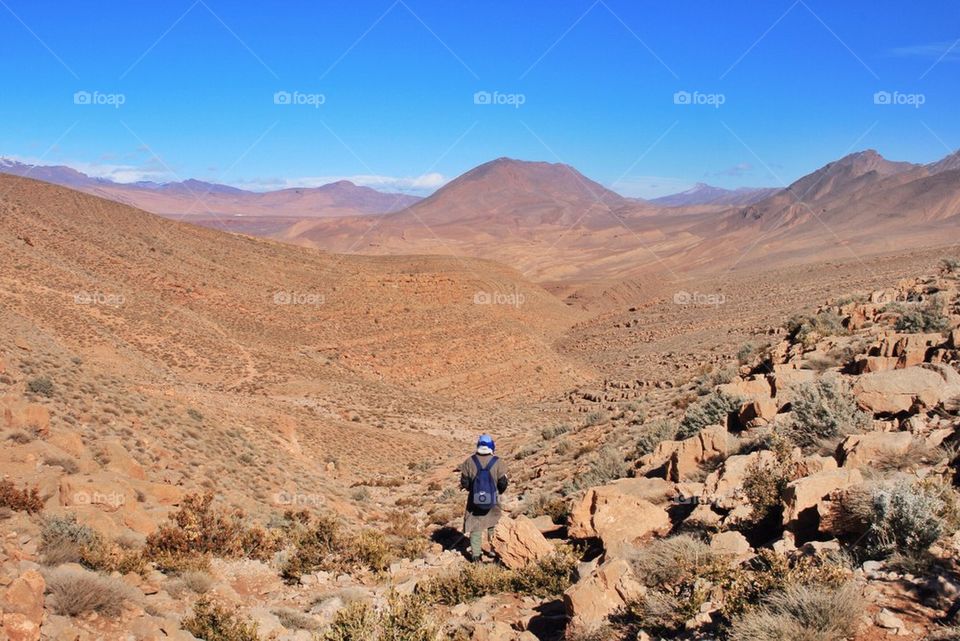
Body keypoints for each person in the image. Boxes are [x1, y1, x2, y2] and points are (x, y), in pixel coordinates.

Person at [459, 434, 508, 562]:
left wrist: (473, 490)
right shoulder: (498, 462)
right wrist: (498, 491)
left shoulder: (469, 462)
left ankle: (476, 555)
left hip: (474, 500)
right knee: (493, 523)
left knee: (475, 525)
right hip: (493, 498)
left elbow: (464, 482)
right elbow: (503, 482)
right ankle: (494, 550)